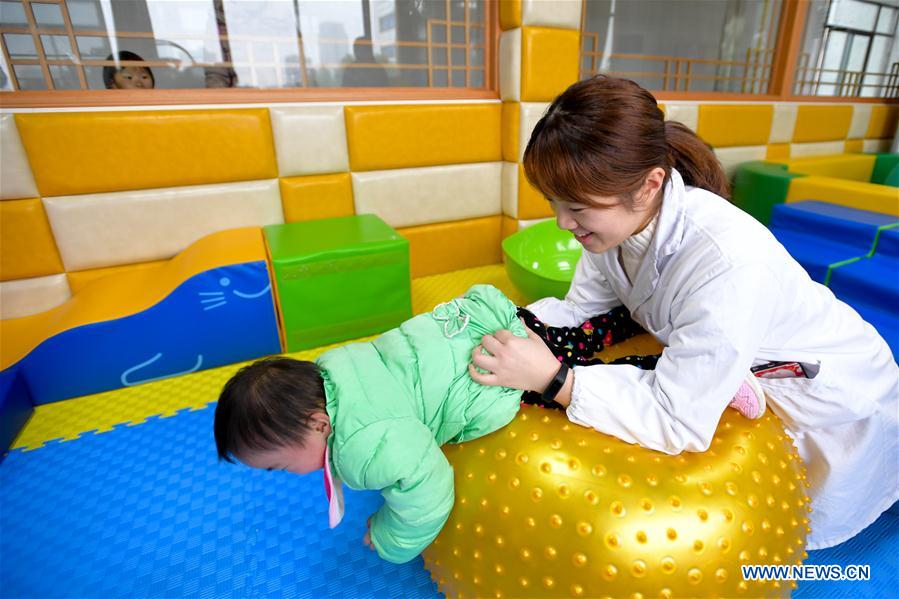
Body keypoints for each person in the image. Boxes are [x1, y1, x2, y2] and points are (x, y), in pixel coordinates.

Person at [469, 75, 899, 551]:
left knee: (788, 537)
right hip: (745, 352)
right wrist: (511, 323)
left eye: (578, 208)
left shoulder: (728, 262)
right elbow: (580, 309)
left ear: (651, 184)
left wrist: (555, 379)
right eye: (554, 203)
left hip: (832, 394)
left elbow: (678, 419)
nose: (563, 223)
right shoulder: (613, 228)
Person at [213, 283, 768, 564]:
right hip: (488, 322)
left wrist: (389, 536)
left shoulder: (360, 449)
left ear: (317, 424)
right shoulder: (334, 365)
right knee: (566, 341)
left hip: (492, 377)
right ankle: (623, 313)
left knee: (579, 383)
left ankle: (710, 384)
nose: (290, 474)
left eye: (283, 464)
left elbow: (428, 489)